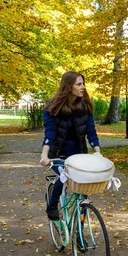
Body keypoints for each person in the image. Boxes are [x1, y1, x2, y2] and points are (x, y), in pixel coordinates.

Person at [39, 71, 100, 220]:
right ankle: (52, 205)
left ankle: (80, 233)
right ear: (68, 86)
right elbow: (50, 133)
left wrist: (98, 152)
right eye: (79, 84)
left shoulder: (85, 107)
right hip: (58, 154)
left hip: (78, 154)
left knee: (84, 188)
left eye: (83, 83)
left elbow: (91, 132)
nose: (83, 87)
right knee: (64, 175)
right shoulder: (52, 108)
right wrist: (44, 155)